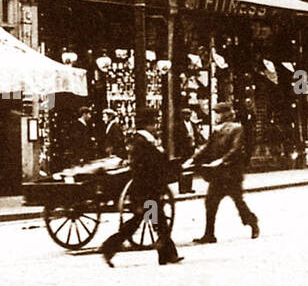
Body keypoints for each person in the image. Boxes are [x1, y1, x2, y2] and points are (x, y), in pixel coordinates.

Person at [98, 109, 182, 267]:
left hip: (148, 190)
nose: (155, 126)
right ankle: (109, 248)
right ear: (148, 125)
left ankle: (166, 254)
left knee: (157, 222)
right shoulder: (142, 142)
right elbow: (148, 165)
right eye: (153, 123)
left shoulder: (143, 140)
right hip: (147, 190)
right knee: (150, 222)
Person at [187, 102, 259, 243]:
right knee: (210, 203)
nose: (216, 116)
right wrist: (192, 160)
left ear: (226, 114)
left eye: (218, 113)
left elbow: (235, 149)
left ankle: (252, 222)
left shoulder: (237, 128)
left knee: (239, 203)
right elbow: (206, 147)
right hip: (218, 174)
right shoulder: (217, 130)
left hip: (231, 174)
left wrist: (221, 160)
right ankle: (209, 234)